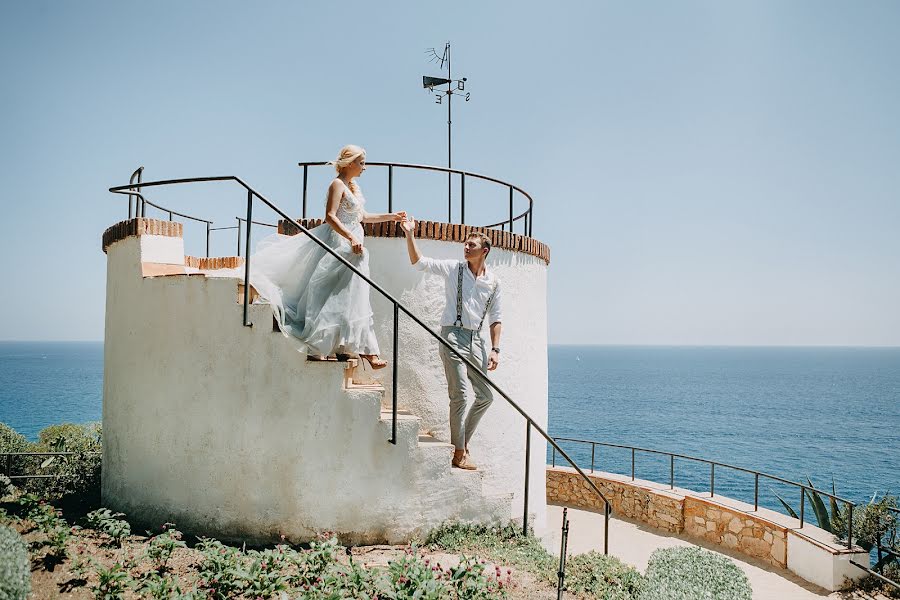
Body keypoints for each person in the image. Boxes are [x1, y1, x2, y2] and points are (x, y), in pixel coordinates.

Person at [242, 145, 405, 369]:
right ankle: (319, 346)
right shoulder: (336, 184)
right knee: (326, 294)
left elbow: (363, 217)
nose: (364, 168)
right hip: (339, 244)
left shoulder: (354, 187)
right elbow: (330, 216)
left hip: (354, 248)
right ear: (349, 163)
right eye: (361, 162)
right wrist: (350, 237)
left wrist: (391, 216)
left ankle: (346, 349)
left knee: (351, 297)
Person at [400, 217, 502, 470]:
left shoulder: (493, 282)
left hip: (477, 340)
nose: (466, 248)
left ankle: (462, 442)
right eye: (465, 244)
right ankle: (459, 453)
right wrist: (409, 234)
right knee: (460, 396)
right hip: (453, 336)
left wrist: (496, 349)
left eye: (471, 245)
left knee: (486, 396)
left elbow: (496, 318)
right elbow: (419, 262)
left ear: (484, 251)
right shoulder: (454, 269)